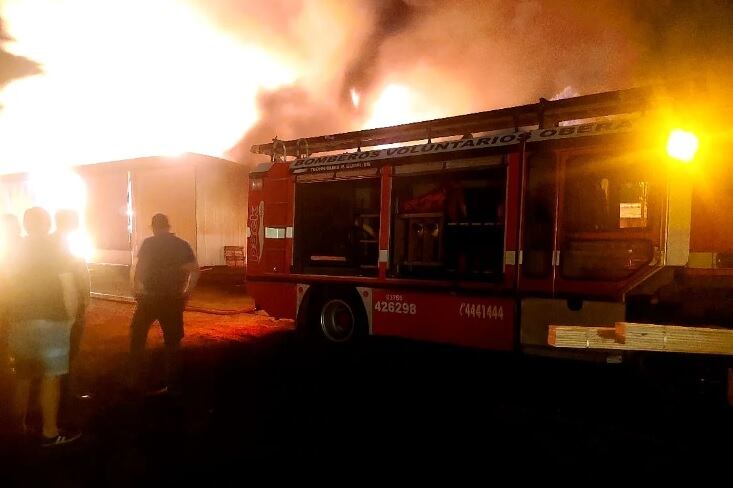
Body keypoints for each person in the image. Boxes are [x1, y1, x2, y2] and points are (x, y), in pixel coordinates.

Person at [7, 207, 81, 446]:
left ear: (26, 224)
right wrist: (71, 319)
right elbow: (68, 286)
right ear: (47, 223)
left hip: (19, 320)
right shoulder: (56, 247)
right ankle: (50, 432)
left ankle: (19, 428)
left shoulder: (14, 248)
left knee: (23, 376)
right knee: (51, 377)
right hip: (51, 319)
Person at [129, 213, 199, 395]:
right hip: (172, 299)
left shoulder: (149, 244)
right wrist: (186, 294)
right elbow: (195, 271)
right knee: (172, 342)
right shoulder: (181, 245)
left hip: (150, 298)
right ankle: (173, 384)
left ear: (153, 227)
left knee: (137, 336)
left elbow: (140, 269)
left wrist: (136, 290)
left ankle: (136, 378)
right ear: (168, 226)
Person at [52, 209, 91, 416]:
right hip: (69, 305)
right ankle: (63, 395)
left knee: (60, 351)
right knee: (68, 351)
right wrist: (84, 300)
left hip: (54, 304)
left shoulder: (52, 243)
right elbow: (77, 277)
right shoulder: (65, 246)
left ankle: (59, 392)